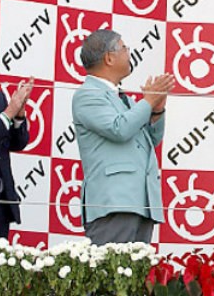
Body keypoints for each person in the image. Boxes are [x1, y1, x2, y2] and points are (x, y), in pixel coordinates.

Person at [72, 29, 174, 245]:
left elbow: (148, 140)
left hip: (141, 201)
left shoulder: (119, 97)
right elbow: (119, 129)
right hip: (114, 203)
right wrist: (147, 102)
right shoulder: (87, 94)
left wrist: (156, 111)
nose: (129, 53)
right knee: (111, 275)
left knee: (136, 276)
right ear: (109, 58)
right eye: (124, 48)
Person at [0, 39, 33, 247]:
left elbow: (16, 143)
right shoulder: (4, 106)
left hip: (0, 206)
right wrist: (9, 113)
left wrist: (18, 115)